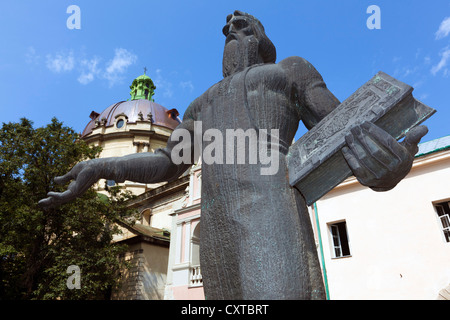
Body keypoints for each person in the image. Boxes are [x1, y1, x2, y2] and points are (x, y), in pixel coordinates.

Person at [40, 11, 427, 299]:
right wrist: (99, 167)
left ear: (263, 40)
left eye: (244, 26)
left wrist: (388, 163)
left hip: (272, 210)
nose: (231, 27)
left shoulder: (288, 70)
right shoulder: (197, 105)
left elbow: (347, 126)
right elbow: (165, 164)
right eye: (227, 30)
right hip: (216, 226)